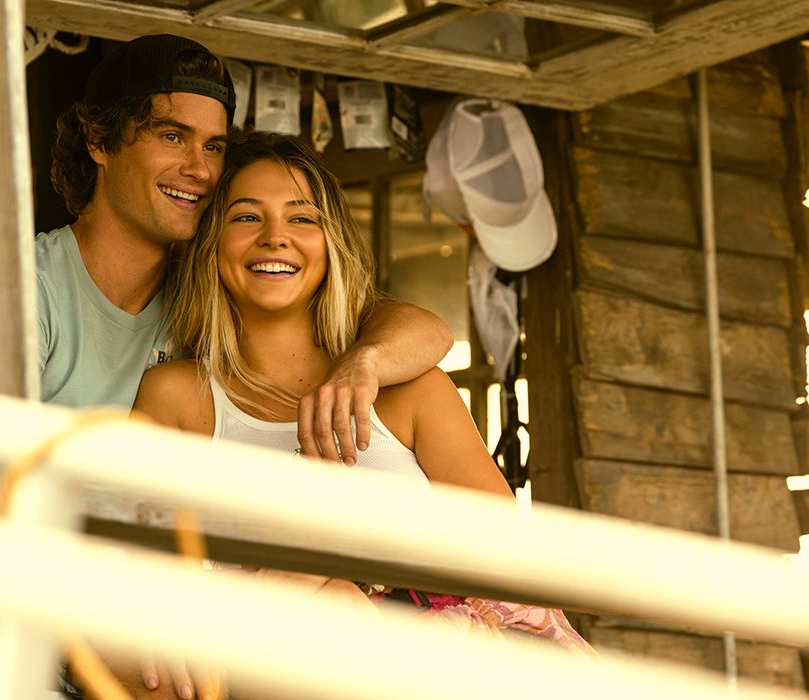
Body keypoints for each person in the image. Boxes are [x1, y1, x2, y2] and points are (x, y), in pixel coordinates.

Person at [133, 132, 593, 696]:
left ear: (330, 245)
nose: (275, 237)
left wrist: (348, 582)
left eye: (302, 219)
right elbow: (126, 572)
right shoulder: (178, 398)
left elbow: (512, 565)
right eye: (247, 217)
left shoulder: (410, 391)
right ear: (213, 242)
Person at [39, 34, 453, 470]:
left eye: (213, 146)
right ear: (99, 141)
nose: (199, 169)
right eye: (172, 136)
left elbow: (427, 330)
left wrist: (363, 361)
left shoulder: (211, 281)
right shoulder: (30, 290)